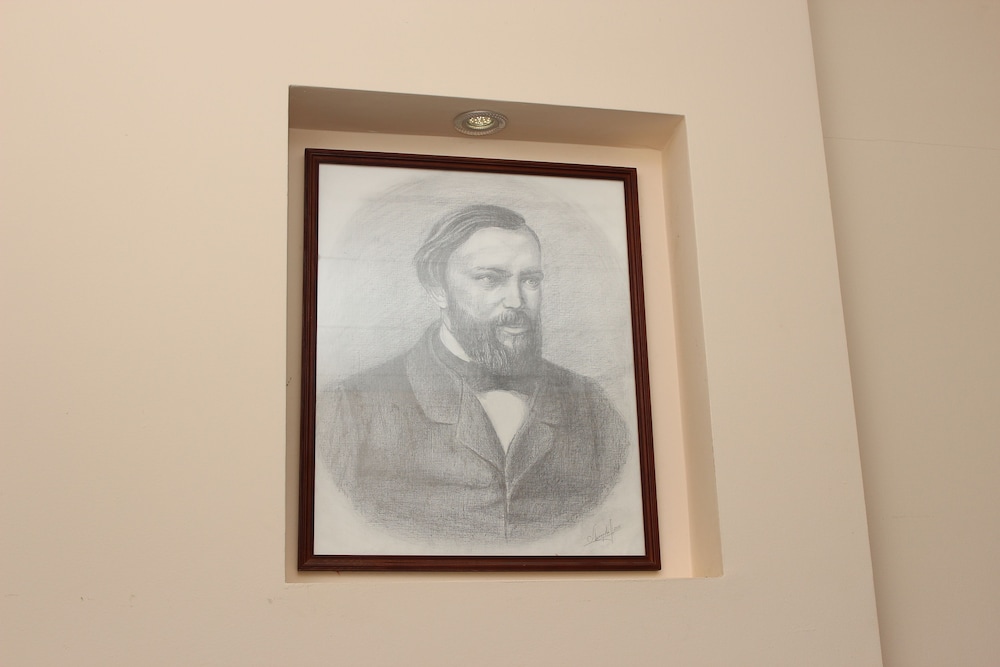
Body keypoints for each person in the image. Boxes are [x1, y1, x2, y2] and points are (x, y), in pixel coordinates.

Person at [317, 204, 629, 542]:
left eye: (530, 280)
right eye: (490, 279)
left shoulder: (592, 406)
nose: (516, 301)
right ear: (438, 288)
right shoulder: (350, 409)